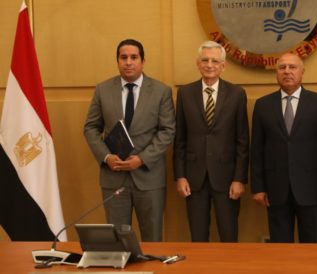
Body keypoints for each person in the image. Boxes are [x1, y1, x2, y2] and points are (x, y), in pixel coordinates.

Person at [83, 38, 175, 242]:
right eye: (123, 57)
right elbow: (91, 127)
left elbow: (167, 131)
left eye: (134, 57)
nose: (128, 62)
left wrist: (141, 159)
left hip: (149, 177)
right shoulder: (103, 89)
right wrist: (106, 157)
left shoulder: (161, 91)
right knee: (117, 239)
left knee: (153, 238)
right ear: (117, 61)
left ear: (143, 61)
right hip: (113, 176)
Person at [250, 53, 317, 243]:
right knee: (280, 248)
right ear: (276, 73)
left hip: (312, 190)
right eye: (282, 68)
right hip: (275, 189)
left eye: (292, 67)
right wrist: (258, 187)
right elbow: (256, 150)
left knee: (313, 245)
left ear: (302, 72)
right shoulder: (263, 105)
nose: (287, 72)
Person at [173, 41, 249, 242]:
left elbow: (242, 141)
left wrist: (239, 179)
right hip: (193, 178)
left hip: (227, 178)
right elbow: (179, 138)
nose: (209, 65)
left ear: (223, 66)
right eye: (205, 60)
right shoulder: (185, 93)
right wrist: (180, 176)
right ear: (198, 64)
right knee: (198, 237)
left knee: (229, 235)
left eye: (215, 61)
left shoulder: (237, 94)